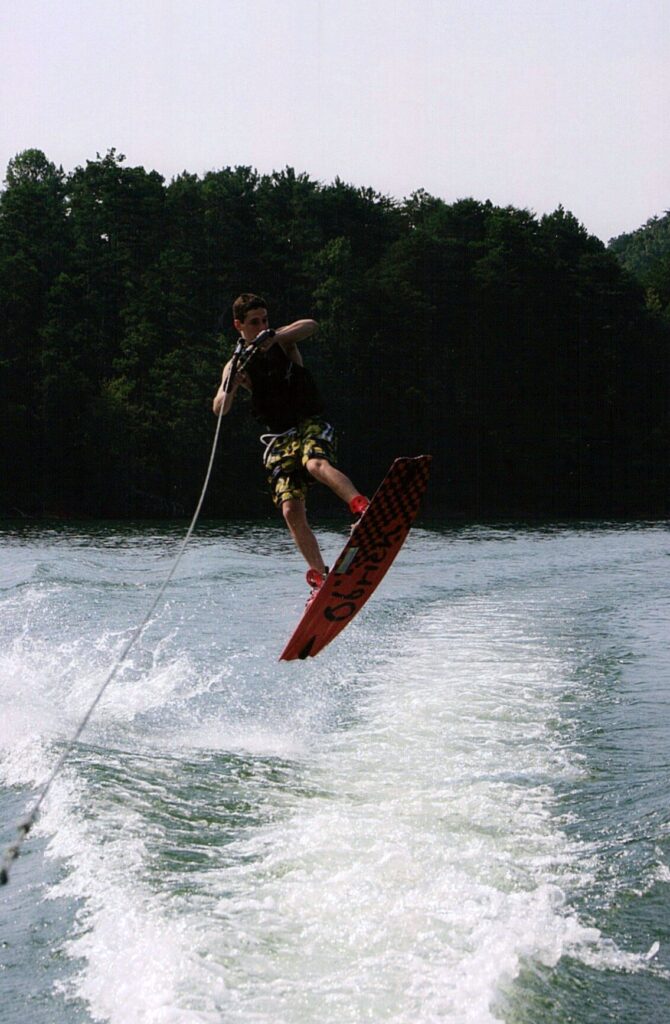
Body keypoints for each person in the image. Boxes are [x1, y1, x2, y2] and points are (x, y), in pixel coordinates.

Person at [213, 293, 369, 600]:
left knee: (315, 464)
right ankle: (321, 576)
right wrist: (230, 386)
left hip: (308, 423)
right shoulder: (235, 364)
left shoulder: (282, 341)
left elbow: (310, 325)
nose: (261, 326)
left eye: (264, 320)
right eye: (254, 322)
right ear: (238, 325)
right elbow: (219, 407)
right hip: (281, 439)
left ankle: (362, 508)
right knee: (290, 509)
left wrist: (275, 336)